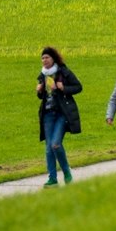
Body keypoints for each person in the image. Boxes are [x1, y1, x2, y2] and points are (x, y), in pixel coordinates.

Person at [37, 47, 83, 187]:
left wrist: (63, 88)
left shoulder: (63, 72)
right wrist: (39, 91)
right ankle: (52, 179)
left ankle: (67, 172)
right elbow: (42, 96)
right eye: (42, 58)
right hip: (48, 114)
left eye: (47, 57)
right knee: (48, 148)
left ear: (53, 59)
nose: (44, 60)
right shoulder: (42, 75)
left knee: (55, 144)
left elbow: (78, 87)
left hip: (62, 113)